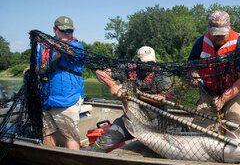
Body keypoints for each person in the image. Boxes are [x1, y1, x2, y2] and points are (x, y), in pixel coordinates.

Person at [90, 46, 172, 152]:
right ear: (138, 61)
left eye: (151, 62)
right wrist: (112, 85)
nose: (149, 66)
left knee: (160, 150)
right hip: (130, 118)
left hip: (156, 121)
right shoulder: (129, 69)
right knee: (103, 142)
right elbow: (99, 72)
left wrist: (138, 95)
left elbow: (167, 99)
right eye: (145, 63)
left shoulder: (161, 74)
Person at [23, 16, 85, 150]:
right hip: (46, 99)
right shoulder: (44, 48)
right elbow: (36, 66)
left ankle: (73, 164)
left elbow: (68, 51)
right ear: (54, 30)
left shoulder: (76, 45)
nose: (67, 33)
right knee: (47, 135)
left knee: (70, 135)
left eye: (70, 30)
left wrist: (45, 40)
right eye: (63, 30)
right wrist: (29, 70)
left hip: (67, 99)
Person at [188, 10, 240, 130]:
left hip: (235, 93)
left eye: (222, 33)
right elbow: (191, 65)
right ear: (209, 29)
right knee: (200, 129)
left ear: (229, 27)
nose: (218, 37)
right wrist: (193, 74)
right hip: (208, 93)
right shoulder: (200, 43)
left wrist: (223, 98)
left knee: (235, 126)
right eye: (214, 33)